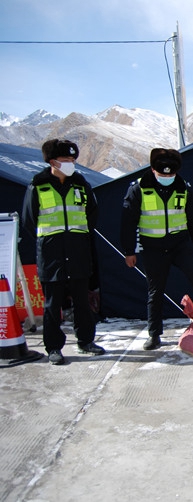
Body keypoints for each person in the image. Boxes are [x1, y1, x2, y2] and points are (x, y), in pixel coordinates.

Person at [121, 148, 193, 351]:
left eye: (171, 174)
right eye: (162, 174)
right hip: (153, 247)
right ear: (153, 170)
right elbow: (128, 222)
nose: (167, 177)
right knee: (155, 291)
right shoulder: (139, 188)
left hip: (181, 244)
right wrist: (129, 251)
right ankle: (154, 334)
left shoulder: (183, 187)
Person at [21, 139, 104, 365]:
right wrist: (51, 240)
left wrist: (77, 237)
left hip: (78, 251)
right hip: (51, 254)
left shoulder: (81, 185)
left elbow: (92, 214)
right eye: (65, 160)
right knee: (52, 304)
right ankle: (54, 347)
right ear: (52, 162)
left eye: (72, 160)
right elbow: (29, 220)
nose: (70, 163)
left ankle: (86, 340)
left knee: (82, 301)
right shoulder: (38, 186)